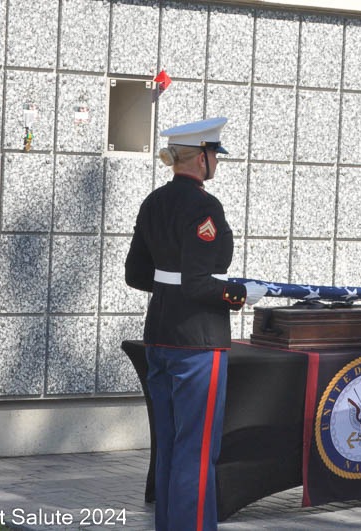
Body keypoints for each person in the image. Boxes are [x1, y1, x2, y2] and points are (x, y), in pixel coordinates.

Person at [125, 117, 267, 531]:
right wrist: (239, 293)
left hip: (159, 337)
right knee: (198, 450)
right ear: (201, 158)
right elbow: (199, 283)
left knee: (171, 446)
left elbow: (136, 274)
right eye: (214, 155)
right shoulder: (205, 207)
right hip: (197, 342)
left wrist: (172, 285)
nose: (216, 162)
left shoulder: (153, 202)